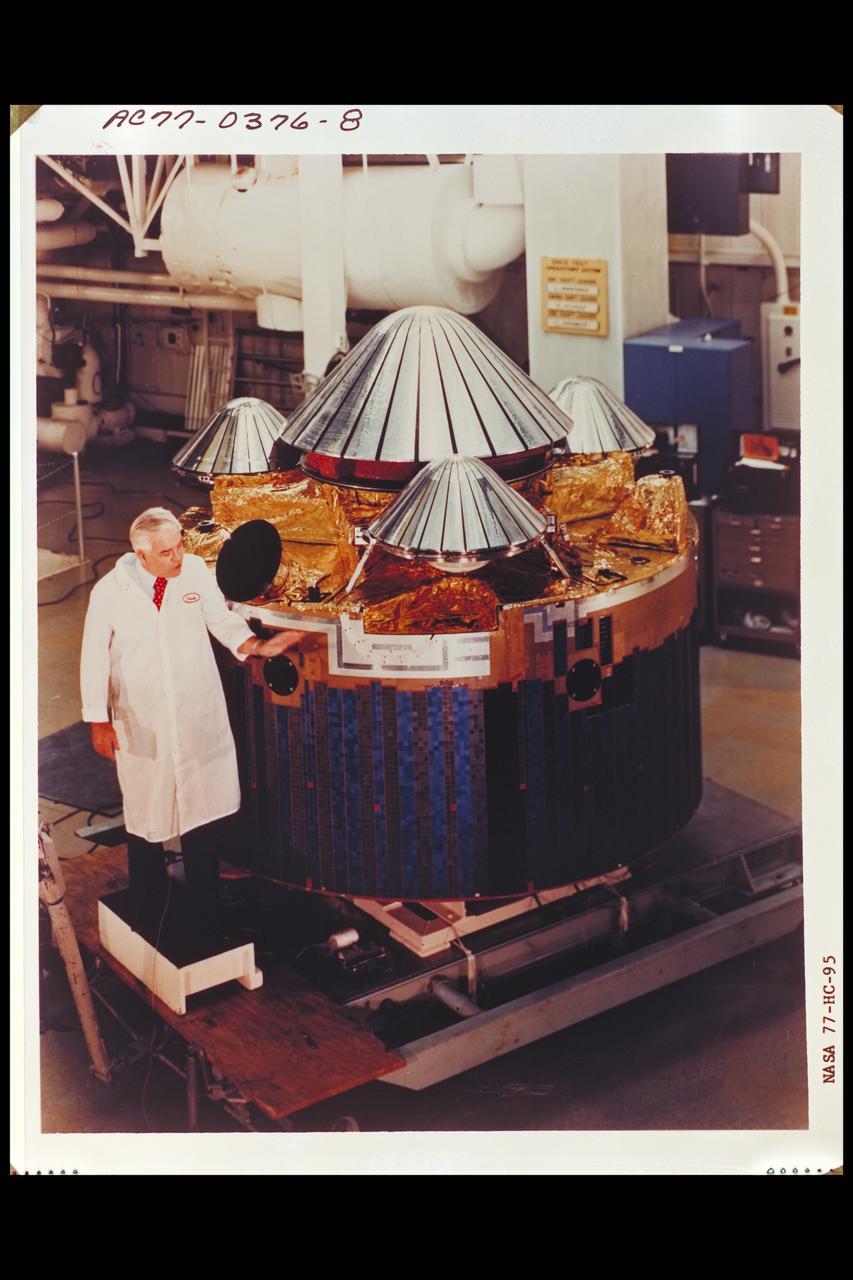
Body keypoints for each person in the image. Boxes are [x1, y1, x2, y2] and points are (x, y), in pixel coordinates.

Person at [80, 507, 303, 937]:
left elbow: (220, 620)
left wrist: (257, 646)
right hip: (143, 718)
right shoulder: (109, 593)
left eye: (179, 545)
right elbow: (94, 658)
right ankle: (148, 907)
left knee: (203, 813)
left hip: (195, 712)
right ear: (142, 556)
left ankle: (207, 913)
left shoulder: (196, 572)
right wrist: (97, 720)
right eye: (167, 553)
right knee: (146, 815)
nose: (178, 556)